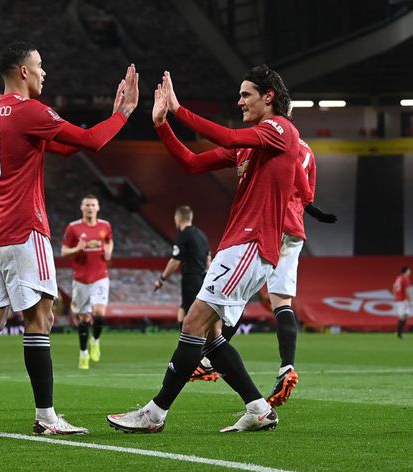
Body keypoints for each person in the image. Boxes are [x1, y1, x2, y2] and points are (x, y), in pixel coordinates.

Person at [0, 41, 139, 439]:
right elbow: (88, 142)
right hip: (23, 227)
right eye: (39, 66)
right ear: (22, 71)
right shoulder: (31, 111)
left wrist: (108, 118)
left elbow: (64, 148)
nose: (44, 73)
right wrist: (122, 114)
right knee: (40, 319)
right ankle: (47, 417)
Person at [107, 65, 299, 433]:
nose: (239, 101)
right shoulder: (254, 146)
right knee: (210, 337)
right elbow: (192, 163)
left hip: (250, 243)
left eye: (246, 95)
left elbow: (227, 137)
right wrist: (162, 125)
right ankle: (259, 409)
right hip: (237, 245)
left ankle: (155, 413)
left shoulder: (280, 130)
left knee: (193, 321)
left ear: (269, 96)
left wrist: (180, 110)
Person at [219, 136, 337, 407]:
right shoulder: (308, 150)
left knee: (240, 293)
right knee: (282, 302)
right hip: (295, 229)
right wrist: (312, 209)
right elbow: (308, 191)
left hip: (269, 222)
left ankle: (206, 357)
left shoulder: (275, 138)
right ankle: (287, 367)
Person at [154, 206, 215, 381]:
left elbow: (175, 261)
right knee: (183, 310)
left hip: (191, 278)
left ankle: (191, 354)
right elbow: (208, 260)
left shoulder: (184, 235)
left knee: (190, 316)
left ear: (177, 218)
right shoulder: (202, 235)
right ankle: (190, 351)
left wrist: (162, 279)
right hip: (203, 278)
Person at [61, 195, 113, 369]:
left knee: (99, 313)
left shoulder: (105, 226)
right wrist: (77, 249)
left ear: (98, 208)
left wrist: (108, 252)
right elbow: (63, 251)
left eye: (93, 205)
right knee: (83, 317)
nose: (90, 208)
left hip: (100, 276)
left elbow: (109, 241)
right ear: (82, 208)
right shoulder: (73, 228)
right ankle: (83, 353)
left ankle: (95, 340)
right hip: (81, 279)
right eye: (87, 205)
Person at [393, 266, 412, 339]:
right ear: (406, 271)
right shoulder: (405, 278)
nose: (410, 273)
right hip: (402, 300)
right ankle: (399, 333)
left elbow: (394, 287)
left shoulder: (398, 278)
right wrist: (410, 300)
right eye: (409, 271)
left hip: (400, 299)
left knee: (406, 315)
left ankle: (400, 332)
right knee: (402, 316)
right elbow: (407, 290)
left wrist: (395, 296)